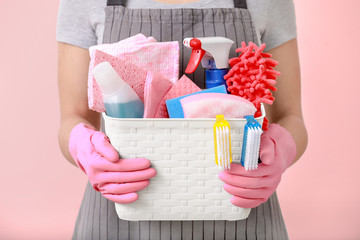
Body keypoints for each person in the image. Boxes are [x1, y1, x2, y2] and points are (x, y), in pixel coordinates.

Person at [57, 0, 308, 239]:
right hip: (119, 216)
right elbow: (74, 116)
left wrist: (280, 150)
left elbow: (290, 116)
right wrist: (83, 147)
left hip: (241, 211)